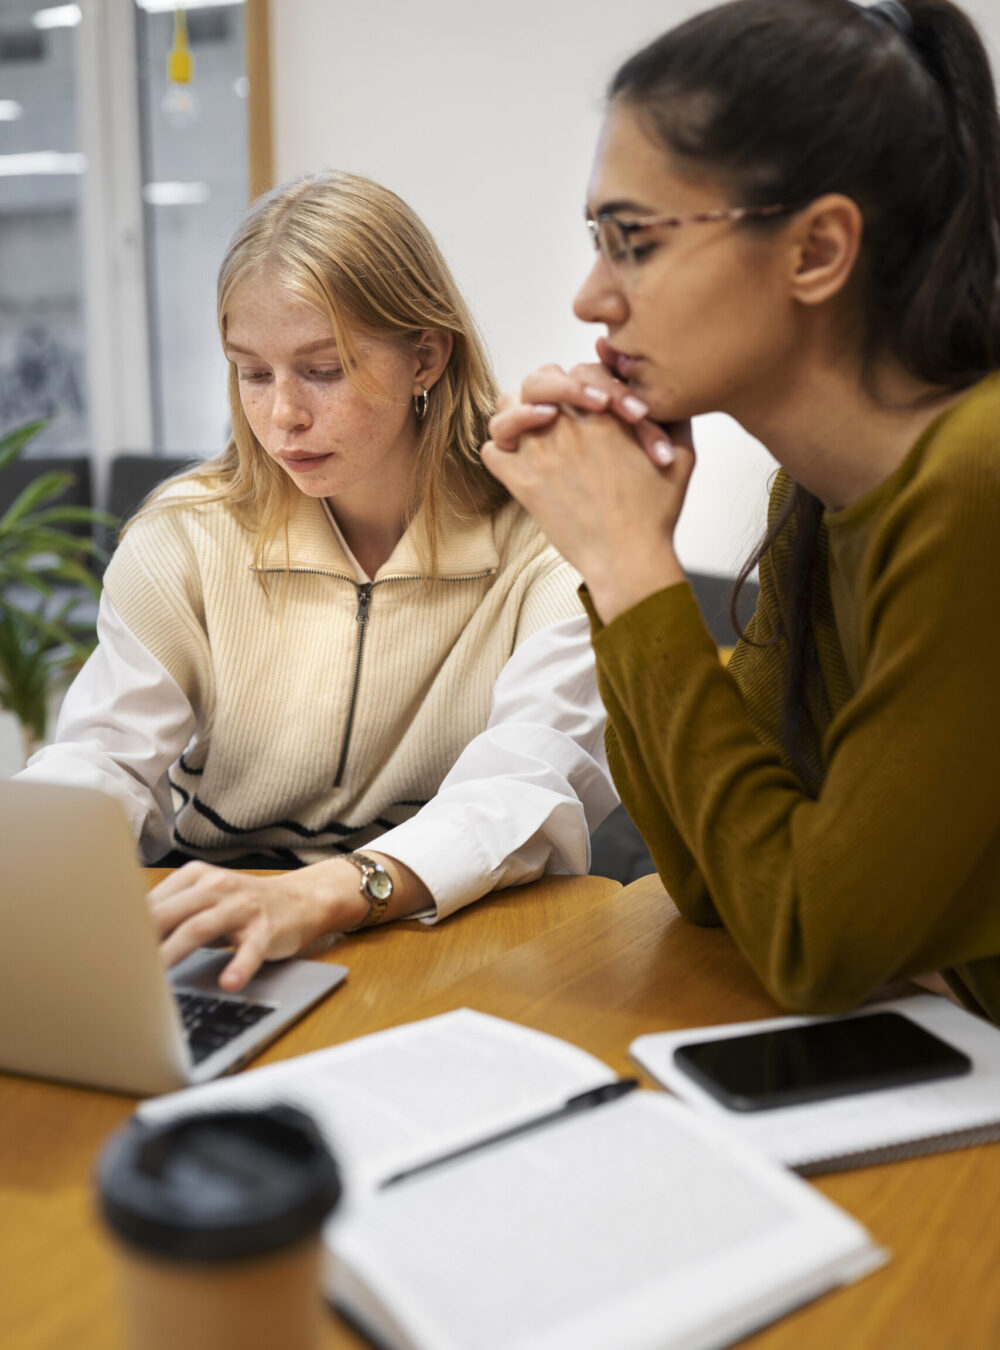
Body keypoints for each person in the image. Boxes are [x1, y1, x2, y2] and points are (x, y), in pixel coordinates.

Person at [483, 0, 1000, 1022]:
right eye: (596, 239)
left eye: (632, 240)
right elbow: (717, 883)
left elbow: (812, 943)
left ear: (815, 250)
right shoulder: (813, 493)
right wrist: (613, 559)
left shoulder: (973, 480)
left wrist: (633, 568)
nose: (591, 297)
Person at [19, 171, 617, 991]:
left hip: (445, 933)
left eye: (324, 370)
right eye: (252, 374)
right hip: (221, 933)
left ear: (426, 357)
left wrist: (327, 893)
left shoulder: (551, 541)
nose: (282, 417)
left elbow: (528, 790)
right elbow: (106, 760)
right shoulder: (183, 539)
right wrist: (30, 855)